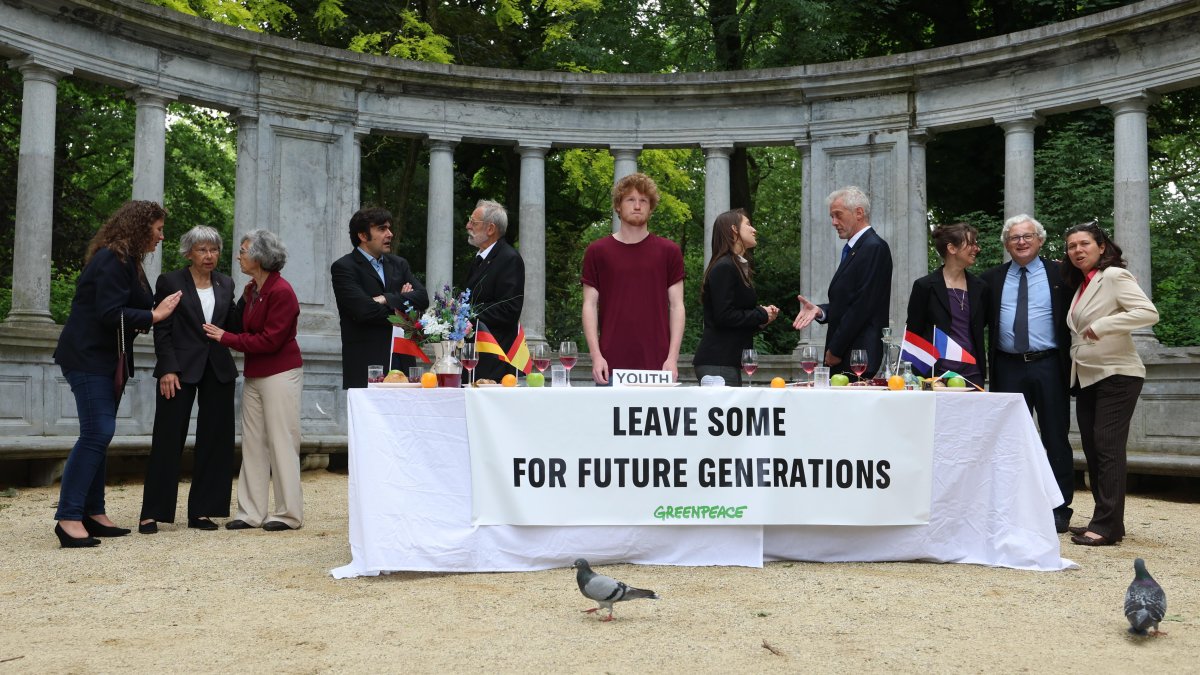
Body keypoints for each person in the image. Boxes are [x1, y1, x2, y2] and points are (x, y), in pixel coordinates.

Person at [51, 200, 182, 547]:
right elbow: (110, 313)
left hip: (108, 359)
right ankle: (68, 517)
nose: (161, 237)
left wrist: (157, 311)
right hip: (87, 357)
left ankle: (93, 512)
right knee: (98, 432)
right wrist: (154, 317)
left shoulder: (130, 262)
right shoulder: (112, 258)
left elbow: (138, 306)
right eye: (157, 229)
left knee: (99, 435)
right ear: (140, 228)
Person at [1061, 222, 1158, 546]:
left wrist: (1104, 324)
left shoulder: (1114, 276)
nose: (1077, 250)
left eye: (1084, 243)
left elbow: (1147, 313)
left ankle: (1107, 527)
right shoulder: (1081, 286)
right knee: (1093, 448)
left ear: (1101, 247)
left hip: (1118, 373)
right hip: (1088, 375)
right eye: (1072, 246)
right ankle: (1106, 518)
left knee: (1107, 448)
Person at [138, 226, 239, 534]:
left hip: (218, 369)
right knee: (168, 438)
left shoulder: (226, 282)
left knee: (215, 441)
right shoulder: (170, 281)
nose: (209, 256)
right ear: (188, 253)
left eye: (214, 249)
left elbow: (233, 324)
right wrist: (167, 369)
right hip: (178, 370)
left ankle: (203, 511)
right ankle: (152, 512)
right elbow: (162, 329)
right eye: (202, 250)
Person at [981, 214, 1076, 533]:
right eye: (1014, 237)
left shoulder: (1062, 273)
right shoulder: (991, 279)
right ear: (1006, 244)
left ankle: (1060, 507)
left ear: (1040, 240)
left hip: (1049, 364)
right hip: (1007, 366)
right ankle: (1009, 505)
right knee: (1006, 438)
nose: (1021, 242)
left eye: (1027, 236)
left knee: (1055, 436)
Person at [203, 230, 304, 531]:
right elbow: (241, 325)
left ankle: (288, 514)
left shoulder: (282, 292)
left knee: (282, 442)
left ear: (260, 256)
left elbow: (271, 340)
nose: (239, 255)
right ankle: (250, 512)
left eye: (244, 250)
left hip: (281, 373)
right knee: (253, 443)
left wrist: (226, 339)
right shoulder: (251, 290)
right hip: (256, 374)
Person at [581, 172, 685, 384]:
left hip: (658, 365)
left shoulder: (669, 251)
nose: (637, 206)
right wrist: (596, 356)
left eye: (643, 201)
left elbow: (677, 306)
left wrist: (672, 358)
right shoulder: (597, 251)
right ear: (618, 205)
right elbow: (589, 305)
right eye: (630, 199)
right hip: (609, 366)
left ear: (651, 207)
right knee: (606, 419)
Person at [792, 186, 893, 376]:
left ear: (859, 213)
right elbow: (848, 301)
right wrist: (821, 311)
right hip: (849, 353)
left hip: (857, 356)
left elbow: (862, 305)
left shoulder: (874, 247)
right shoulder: (857, 248)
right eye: (832, 216)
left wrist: (836, 349)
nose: (833, 222)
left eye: (837, 215)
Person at [330, 207, 428, 389]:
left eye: (389, 228)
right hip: (367, 364)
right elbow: (364, 311)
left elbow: (423, 298)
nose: (390, 234)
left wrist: (385, 298)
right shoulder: (344, 267)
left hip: (403, 360)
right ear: (362, 235)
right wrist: (402, 302)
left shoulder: (399, 264)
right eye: (382, 229)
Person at [692, 209, 780, 385]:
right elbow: (724, 316)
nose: (754, 229)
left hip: (727, 362)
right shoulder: (725, 267)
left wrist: (762, 320)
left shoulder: (734, 266)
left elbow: (733, 322)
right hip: (718, 362)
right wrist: (761, 313)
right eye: (747, 224)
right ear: (733, 229)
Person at [904, 222, 987, 385]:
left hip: (973, 374)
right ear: (952, 248)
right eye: (971, 244)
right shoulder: (925, 286)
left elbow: (979, 326)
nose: (977, 248)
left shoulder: (981, 287)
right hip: (937, 374)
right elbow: (914, 334)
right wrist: (924, 378)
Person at [463, 199, 525, 381]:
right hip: (475, 356)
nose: (468, 226)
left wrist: (465, 314)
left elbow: (509, 310)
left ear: (490, 229)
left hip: (495, 358)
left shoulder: (509, 258)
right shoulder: (479, 258)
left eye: (474, 222)